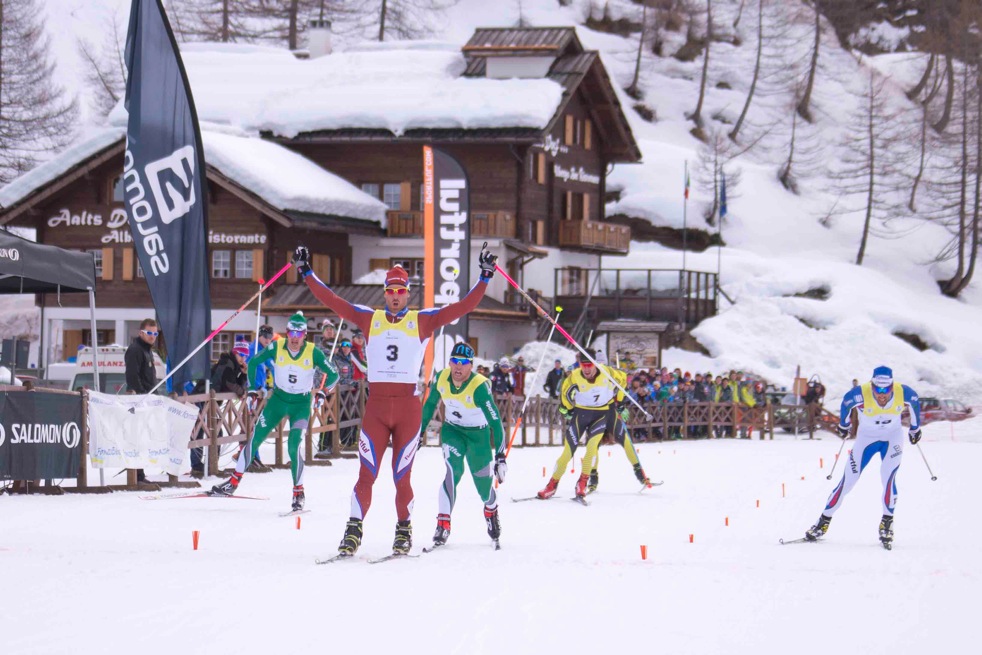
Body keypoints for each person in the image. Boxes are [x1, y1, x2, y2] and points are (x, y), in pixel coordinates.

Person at [293, 244, 496, 557]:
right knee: (366, 473)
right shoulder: (369, 318)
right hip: (376, 409)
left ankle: (403, 530)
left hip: (407, 411)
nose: (396, 296)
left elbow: (462, 307)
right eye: (391, 291)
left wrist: (484, 276)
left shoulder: (422, 320)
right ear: (385, 293)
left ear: (408, 293)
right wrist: (306, 272)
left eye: (401, 291)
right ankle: (353, 530)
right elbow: (332, 301)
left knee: (401, 477)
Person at [211, 313, 339, 513]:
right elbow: (253, 363)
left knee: (294, 446)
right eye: (292, 333)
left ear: (305, 335)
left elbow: (334, 374)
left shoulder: (313, 352)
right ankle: (232, 483)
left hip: (300, 404)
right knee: (255, 439)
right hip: (278, 401)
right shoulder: (276, 347)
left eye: (299, 333)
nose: (295, 338)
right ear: (287, 333)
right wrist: (252, 389)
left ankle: (298, 493)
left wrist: (323, 392)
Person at [802, 366, 922, 548]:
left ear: (891, 386)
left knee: (889, 479)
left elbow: (915, 404)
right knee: (847, 482)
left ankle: (887, 524)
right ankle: (822, 522)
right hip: (866, 439)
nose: (882, 394)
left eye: (886, 389)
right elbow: (845, 405)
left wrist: (915, 428)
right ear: (872, 384)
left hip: (892, 438)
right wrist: (844, 425)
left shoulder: (904, 392)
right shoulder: (859, 394)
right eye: (878, 389)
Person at [420, 343, 506, 548]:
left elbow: (496, 422)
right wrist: (418, 435)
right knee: (452, 471)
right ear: (449, 362)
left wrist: (501, 456)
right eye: (455, 362)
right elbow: (430, 405)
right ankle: (443, 524)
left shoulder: (479, 387)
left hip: (479, 437)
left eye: (464, 363)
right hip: (453, 431)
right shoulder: (441, 378)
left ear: (471, 366)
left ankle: (491, 510)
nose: (458, 367)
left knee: (484, 488)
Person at [537, 349, 631, 501]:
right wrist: (566, 408)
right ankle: (551, 486)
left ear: (595, 364)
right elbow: (565, 392)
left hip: (601, 415)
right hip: (580, 415)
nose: (586, 369)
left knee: (591, 448)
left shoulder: (607, 372)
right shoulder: (574, 376)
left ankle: (582, 483)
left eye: (589, 365)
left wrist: (620, 401)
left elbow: (623, 380)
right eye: (583, 365)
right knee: (567, 452)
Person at [190, 342, 250, 477]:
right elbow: (228, 383)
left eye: (246, 356)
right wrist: (241, 391)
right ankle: (196, 465)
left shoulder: (234, 367)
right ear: (235, 353)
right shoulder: (227, 364)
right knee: (199, 430)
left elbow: (234, 383)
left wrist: (244, 375)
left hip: (212, 403)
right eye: (241, 355)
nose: (243, 358)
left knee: (216, 431)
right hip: (202, 398)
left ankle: (212, 464)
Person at [124, 318, 158, 483]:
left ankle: (140, 472)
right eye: (149, 333)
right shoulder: (135, 350)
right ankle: (136, 474)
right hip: (138, 400)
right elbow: (132, 375)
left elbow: (149, 377)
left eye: (155, 333)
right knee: (136, 438)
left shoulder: (148, 350)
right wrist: (141, 395)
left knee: (144, 438)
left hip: (148, 399)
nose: (153, 337)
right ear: (141, 333)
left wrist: (155, 396)